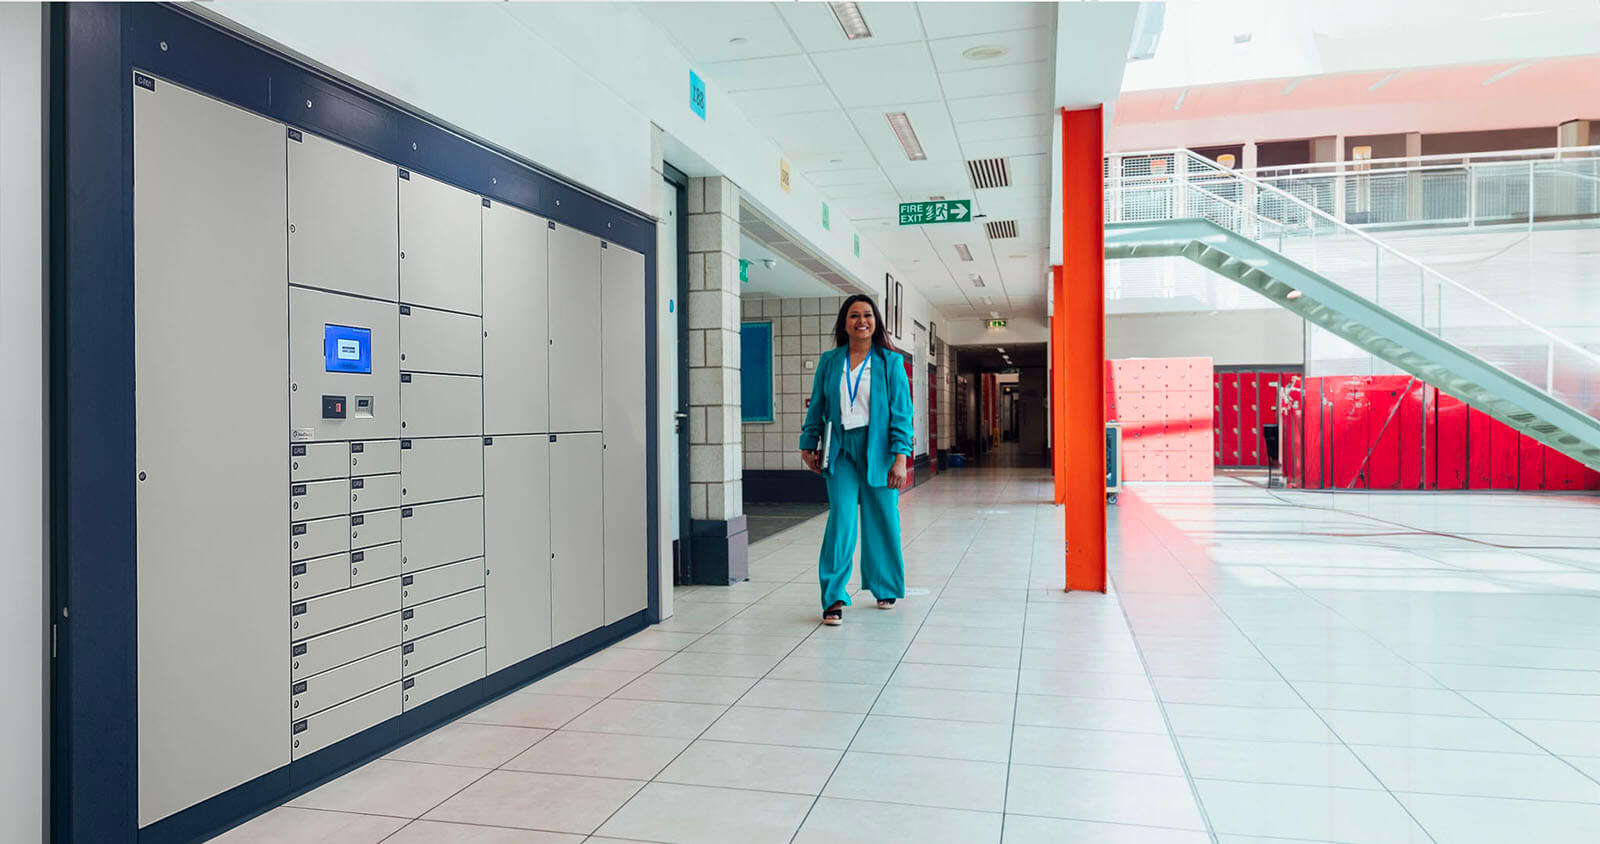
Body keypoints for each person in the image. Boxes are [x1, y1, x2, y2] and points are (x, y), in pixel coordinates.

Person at [797, 295, 913, 626]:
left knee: (882, 519)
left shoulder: (890, 363)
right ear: (844, 323)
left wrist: (901, 458)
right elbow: (817, 405)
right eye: (853, 315)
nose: (860, 321)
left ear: (875, 321)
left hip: (879, 448)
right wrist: (809, 443)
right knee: (842, 520)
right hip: (841, 449)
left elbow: (902, 413)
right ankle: (833, 596)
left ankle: (885, 586)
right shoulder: (830, 361)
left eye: (866, 315)